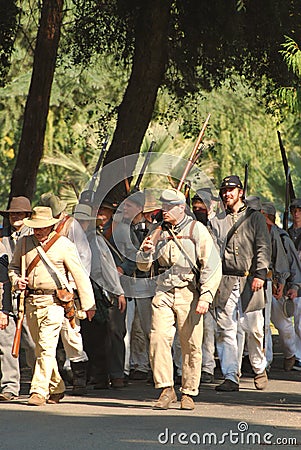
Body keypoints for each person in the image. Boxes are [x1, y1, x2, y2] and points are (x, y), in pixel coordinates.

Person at [137, 188, 222, 410]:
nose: (164, 210)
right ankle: (166, 389)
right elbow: (142, 264)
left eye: (169, 207)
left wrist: (206, 296)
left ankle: (189, 391)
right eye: (163, 206)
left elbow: (212, 265)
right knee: (158, 338)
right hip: (163, 290)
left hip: (189, 292)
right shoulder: (157, 231)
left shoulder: (197, 230)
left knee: (191, 344)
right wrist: (146, 252)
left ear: (181, 208)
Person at [8, 206, 96, 406]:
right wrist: (16, 280)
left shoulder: (64, 244)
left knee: (47, 347)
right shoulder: (23, 243)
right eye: (36, 227)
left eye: (42, 227)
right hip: (30, 302)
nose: (38, 231)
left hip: (55, 303)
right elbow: (13, 268)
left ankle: (38, 390)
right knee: (40, 349)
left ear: (50, 226)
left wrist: (88, 304)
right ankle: (57, 387)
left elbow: (79, 274)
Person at [214, 176, 271, 392]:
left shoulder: (255, 218)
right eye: (224, 190)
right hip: (226, 280)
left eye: (231, 189)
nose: (227, 194)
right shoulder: (216, 220)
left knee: (254, 329)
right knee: (226, 329)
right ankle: (230, 376)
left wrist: (260, 273)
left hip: (250, 280)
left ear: (240, 191)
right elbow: (212, 251)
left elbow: (263, 247)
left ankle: (259, 367)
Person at [40, 193, 92, 395]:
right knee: (46, 339)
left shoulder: (71, 226)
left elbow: (84, 259)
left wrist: (74, 287)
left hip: (67, 291)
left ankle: (79, 379)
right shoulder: (35, 228)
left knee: (71, 335)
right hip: (43, 292)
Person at [73, 203, 126, 389]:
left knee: (101, 334)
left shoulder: (95, 240)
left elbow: (108, 268)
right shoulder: (68, 240)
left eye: (84, 221)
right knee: (85, 335)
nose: (81, 224)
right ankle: (90, 375)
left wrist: (117, 291)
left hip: (96, 291)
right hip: (76, 291)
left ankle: (103, 375)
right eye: (78, 221)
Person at [0, 196, 36, 402]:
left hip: (30, 297)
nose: (16, 217)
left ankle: (38, 383)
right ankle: (9, 387)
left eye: (20, 213)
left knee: (33, 344)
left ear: (27, 216)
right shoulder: (0, 238)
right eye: (13, 213)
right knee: (6, 345)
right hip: (5, 297)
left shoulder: (35, 237)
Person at [287, 198, 301, 370]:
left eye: (300, 210)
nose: (297, 214)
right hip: (291, 282)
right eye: (294, 211)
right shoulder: (288, 233)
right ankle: (296, 355)